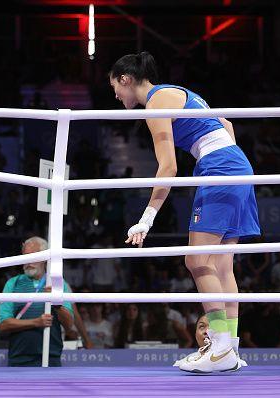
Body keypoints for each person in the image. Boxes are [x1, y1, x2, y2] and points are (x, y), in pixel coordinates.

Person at [109, 51, 260, 373]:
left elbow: (168, 167)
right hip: (236, 165)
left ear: (125, 79)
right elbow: (226, 124)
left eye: (115, 88)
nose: (116, 95)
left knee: (196, 259)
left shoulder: (156, 103)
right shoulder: (178, 92)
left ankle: (219, 347)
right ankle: (229, 348)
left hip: (220, 169)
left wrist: (146, 217)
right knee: (221, 264)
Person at [0, 236, 74, 366]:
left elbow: (69, 325)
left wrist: (57, 304)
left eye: (34, 256)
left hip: (51, 358)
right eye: (26, 256)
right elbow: (3, 325)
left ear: (45, 258)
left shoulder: (58, 284)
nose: (29, 261)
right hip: (18, 359)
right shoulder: (13, 283)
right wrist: (36, 322)